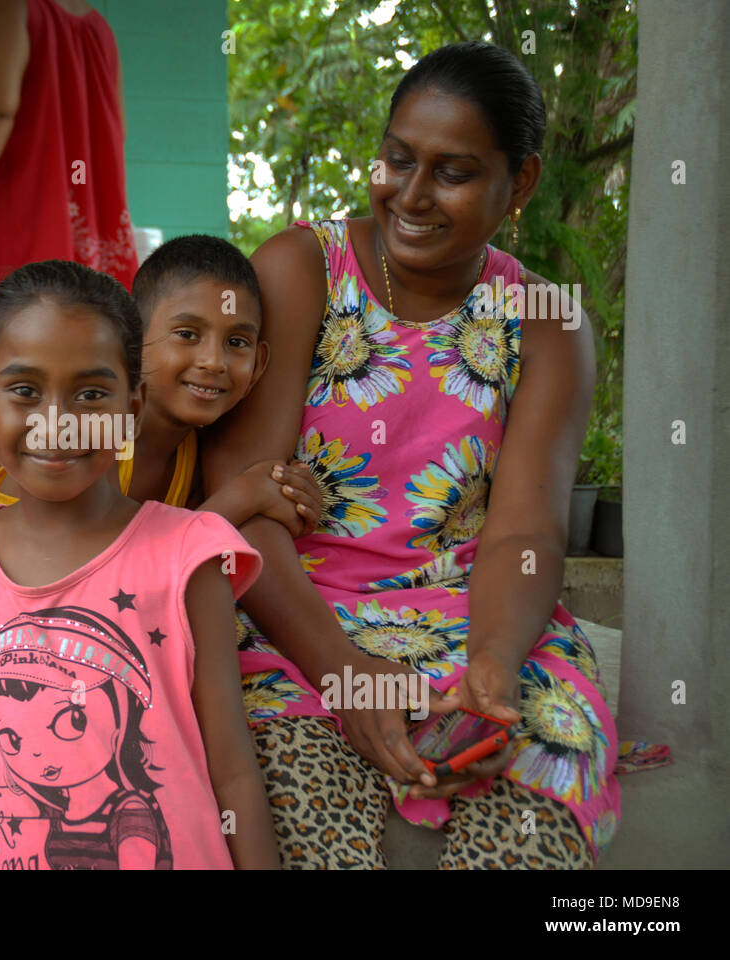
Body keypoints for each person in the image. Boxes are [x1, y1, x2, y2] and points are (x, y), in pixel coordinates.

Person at [203, 42, 620, 868]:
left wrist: (492, 670)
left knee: (541, 783)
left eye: (453, 172)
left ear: (521, 184)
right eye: (398, 160)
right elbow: (241, 504)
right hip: (292, 617)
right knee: (295, 799)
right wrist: (346, 676)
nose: (412, 195)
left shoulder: (545, 324)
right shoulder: (301, 272)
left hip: (472, 621)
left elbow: (524, 532)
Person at [0, 236, 323, 865]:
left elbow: (233, 772)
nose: (58, 421)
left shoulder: (192, 545)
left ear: (131, 404)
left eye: (90, 394)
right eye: (25, 390)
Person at [0, 0, 137, 507]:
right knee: (84, 391)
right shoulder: (100, 29)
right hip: (89, 225)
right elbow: (118, 133)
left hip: (23, 218)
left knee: (17, 380)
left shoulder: (6, 8)